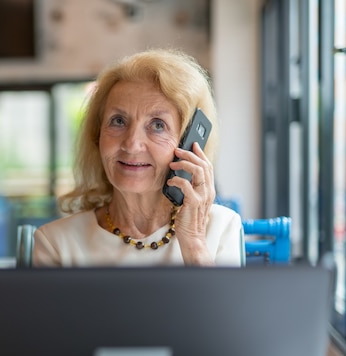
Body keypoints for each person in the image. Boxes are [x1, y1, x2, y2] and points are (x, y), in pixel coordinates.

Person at [33, 48, 243, 267]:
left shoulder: (222, 227)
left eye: (158, 125)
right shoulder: (55, 244)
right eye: (118, 121)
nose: (132, 144)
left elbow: (221, 303)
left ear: (190, 146)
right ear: (97, 137)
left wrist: (194, 243)